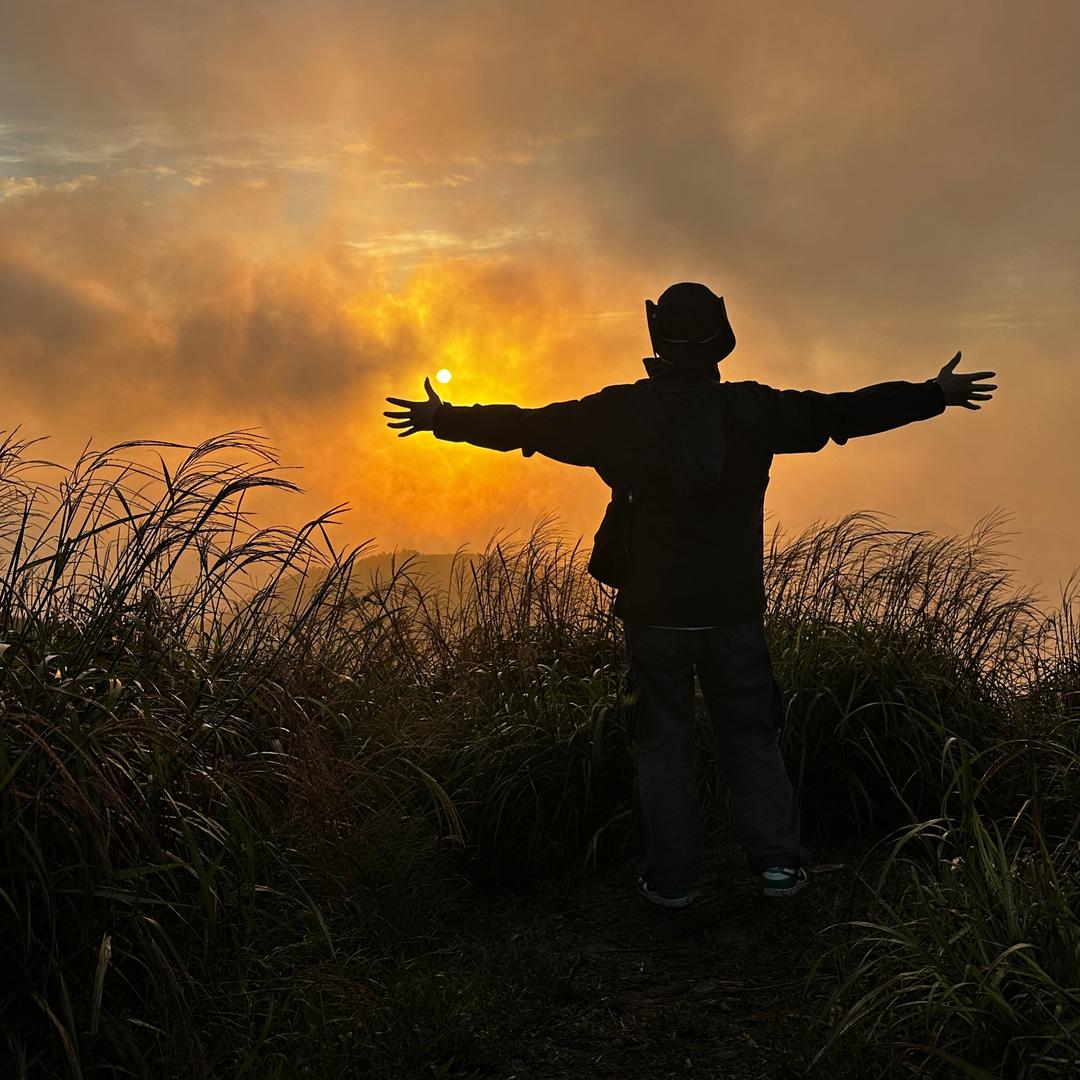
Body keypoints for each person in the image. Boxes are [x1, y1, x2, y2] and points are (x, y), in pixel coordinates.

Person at [384, 282, 998, 908]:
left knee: (663, 743)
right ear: (720, 341)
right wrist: (935, 394)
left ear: (658, 339)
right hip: (732, 608)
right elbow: (842, 413)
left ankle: (672, 880)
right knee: (751, 734)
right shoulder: (753, 411)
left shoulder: (617, 413)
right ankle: (778, 868)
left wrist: (442, 419)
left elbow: (529, 425)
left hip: (655, 612)